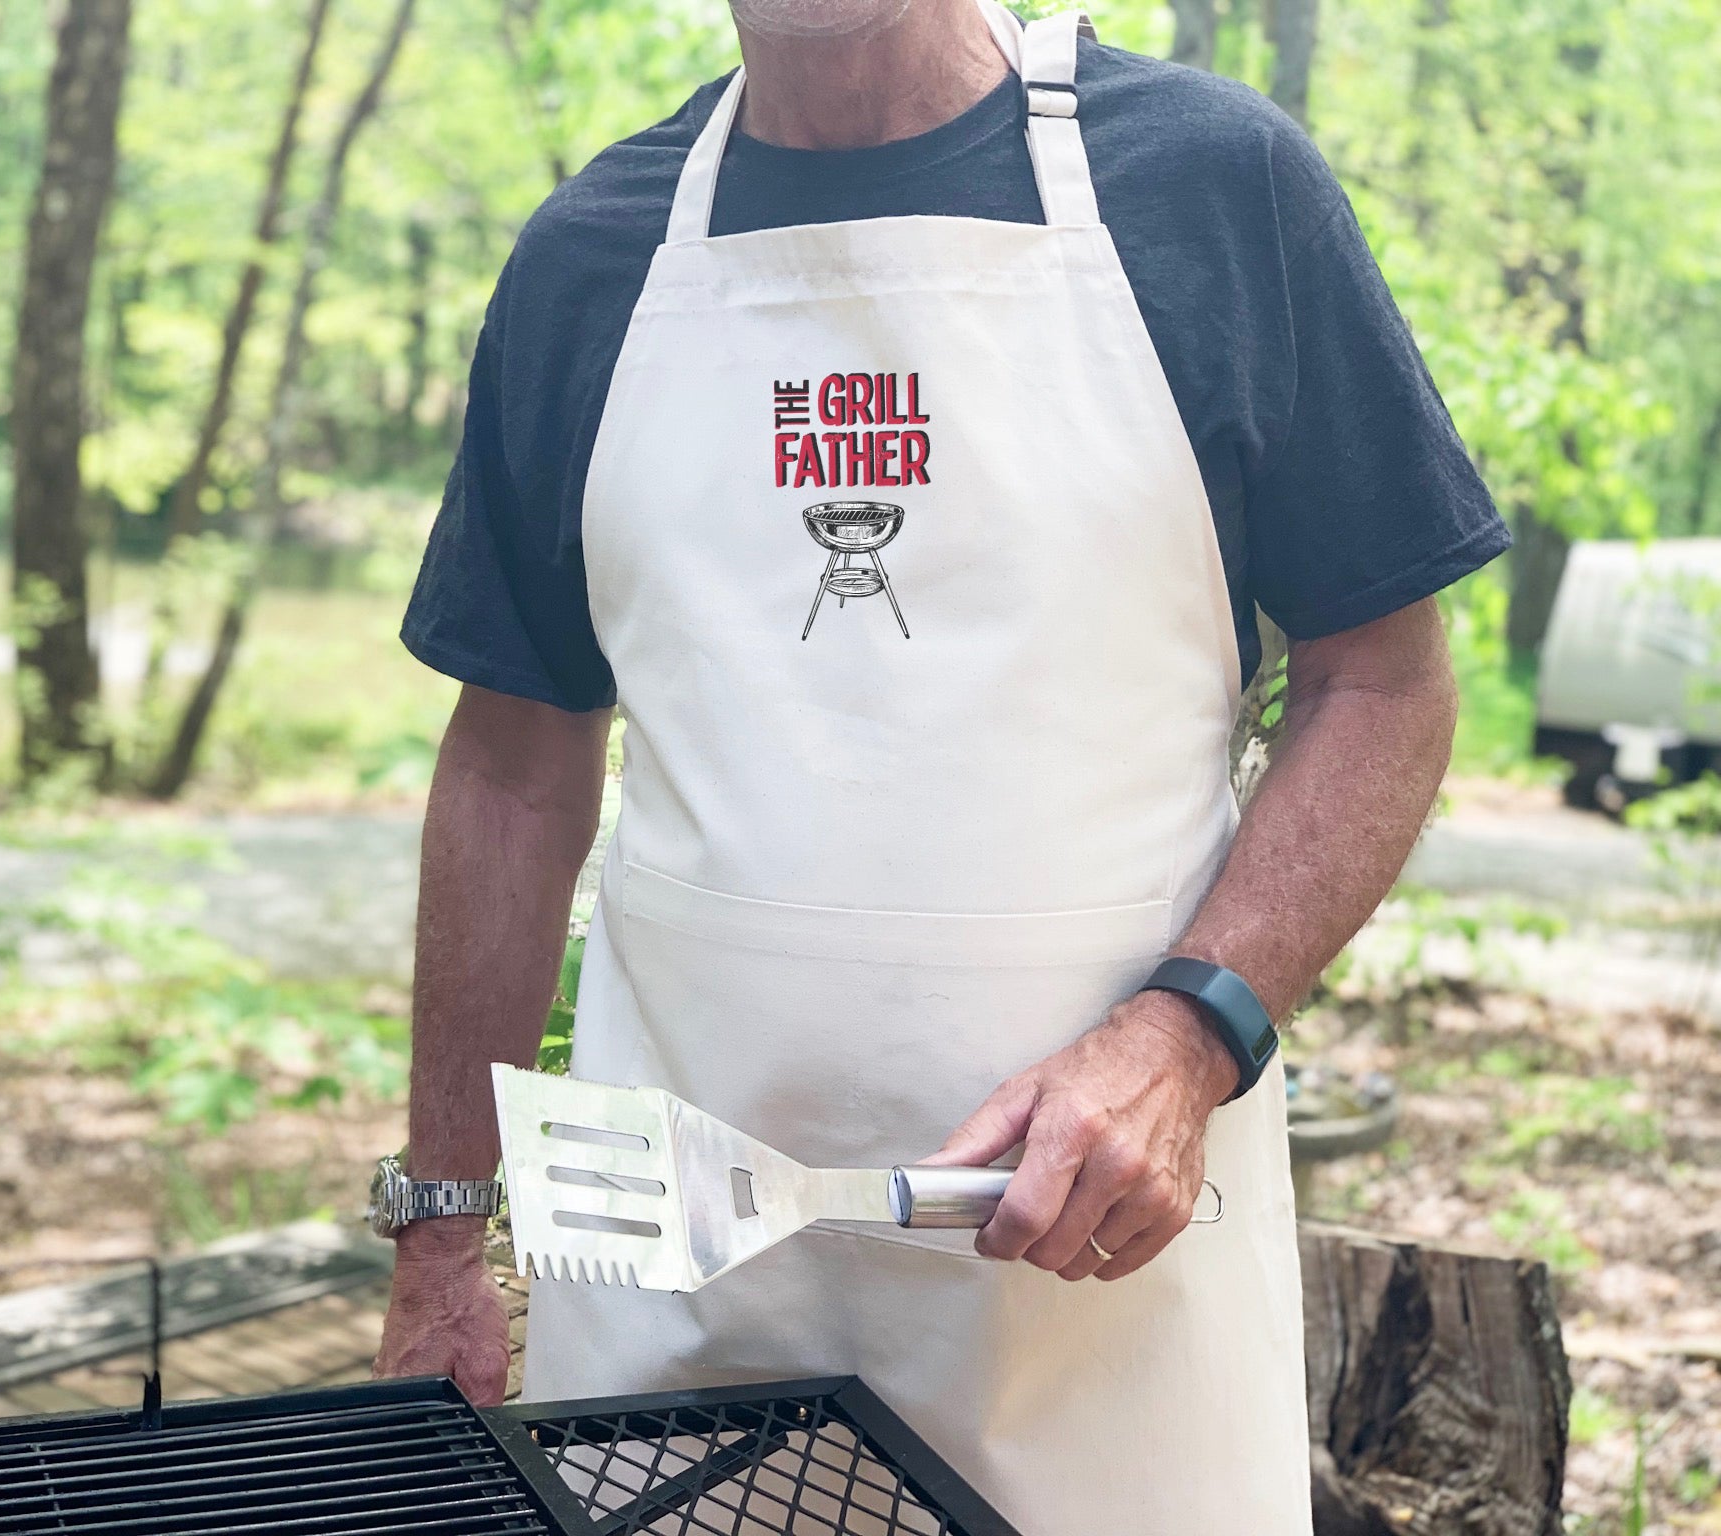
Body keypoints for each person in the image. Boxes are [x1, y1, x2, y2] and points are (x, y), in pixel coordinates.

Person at [372, 0, 1509, 1529]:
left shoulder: (1213, 190)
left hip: (1102, 1292)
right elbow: (512, 763)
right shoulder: (593, 257)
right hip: (676, 1296)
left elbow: (1384, 682)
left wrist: (1188, 1036)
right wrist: (442, 1231)